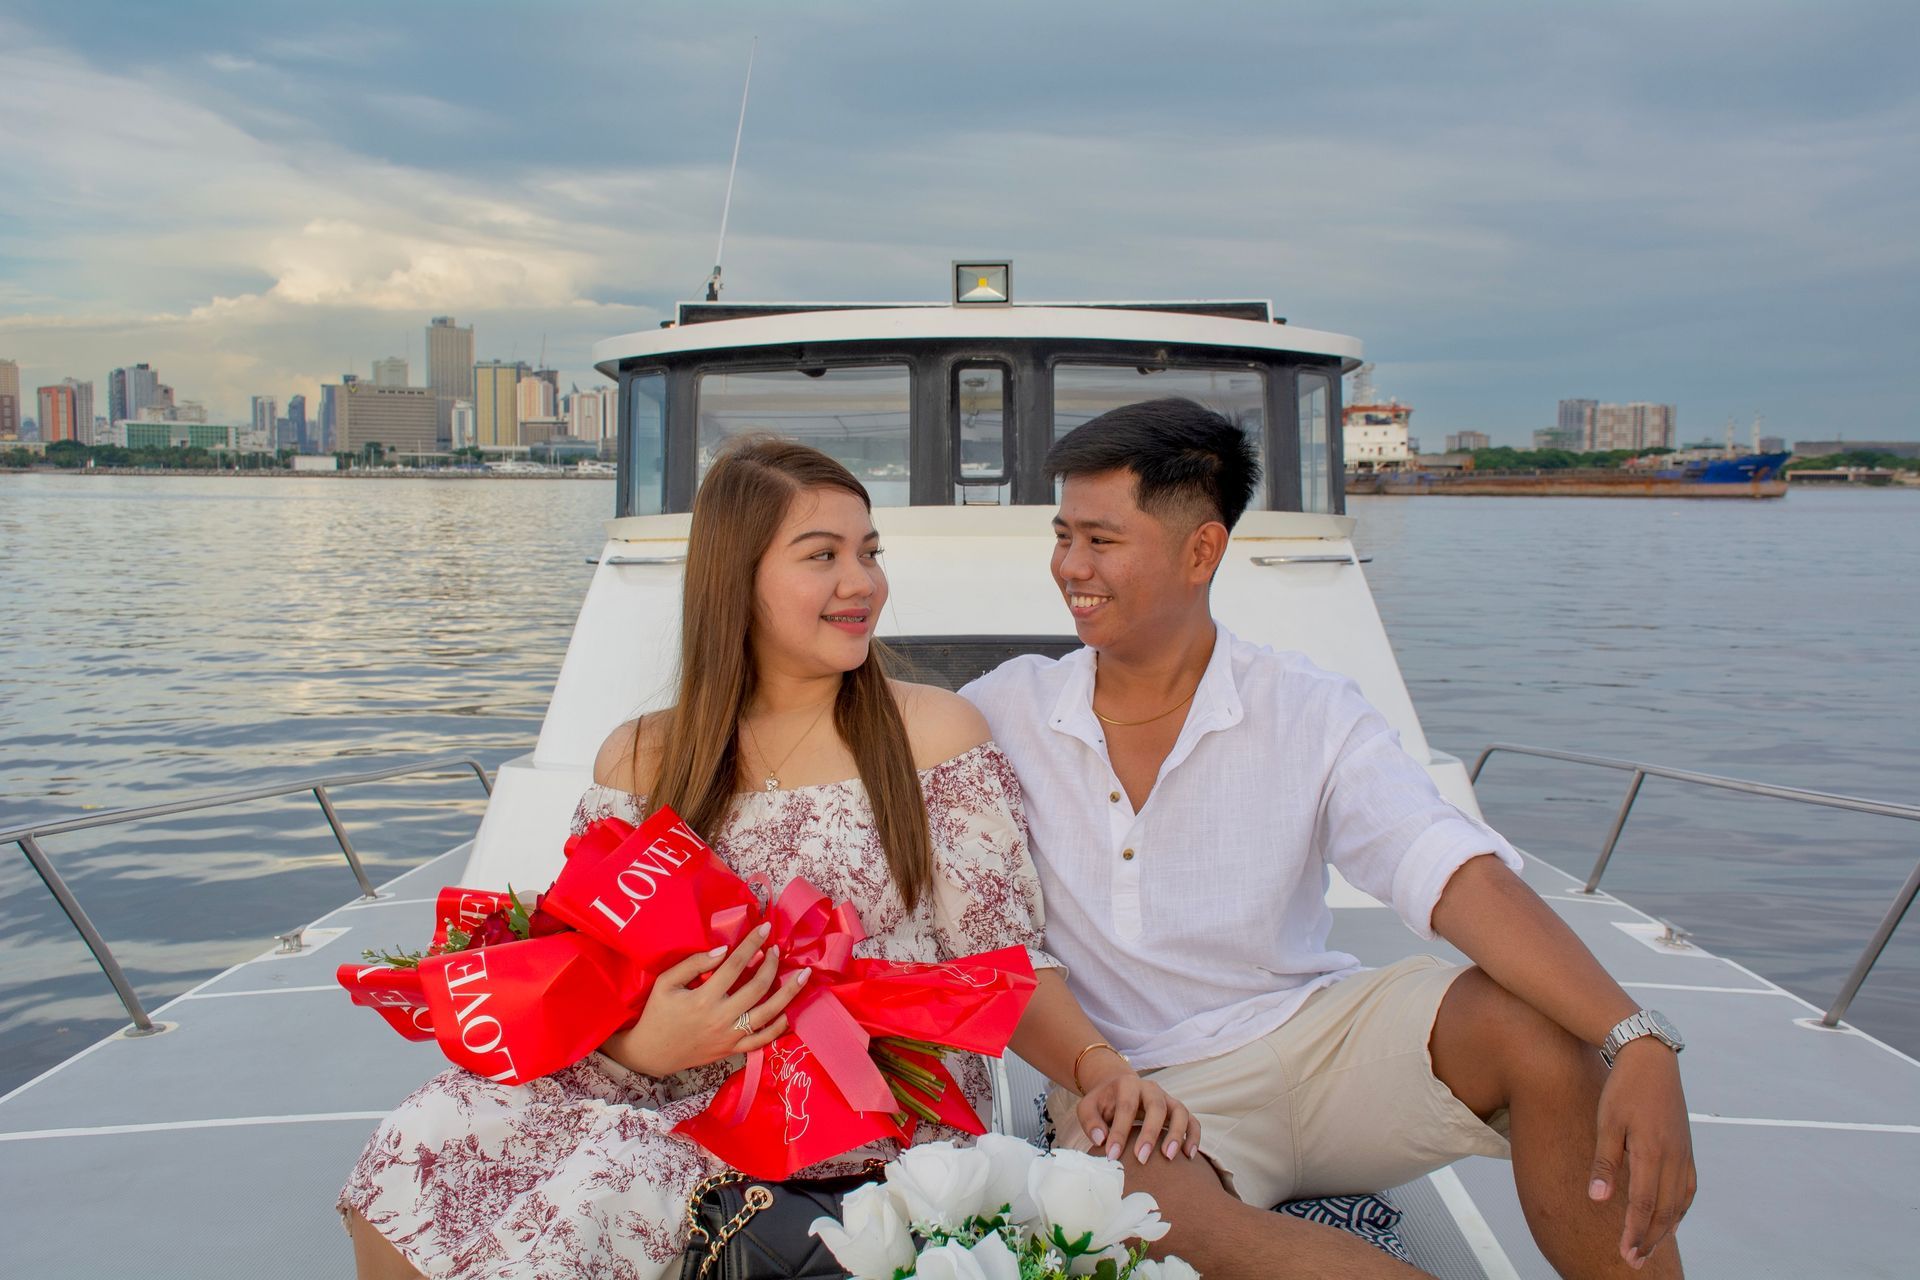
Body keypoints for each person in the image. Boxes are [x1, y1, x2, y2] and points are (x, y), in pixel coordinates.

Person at [340, 437, 1196, 1280]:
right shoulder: (641, 758)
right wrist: (644, 1045)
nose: (861, 582)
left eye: (869, 552)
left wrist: (1100, 1070)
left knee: (608, 1179)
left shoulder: (932, 736)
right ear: (737, 579)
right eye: (822, 555)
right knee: (428, 1128)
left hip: (853, 1110)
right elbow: (594, 968)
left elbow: (1004, 964)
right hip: (667, 1080)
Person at [960, 399, 1697, 1280]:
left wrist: (1636, 1037)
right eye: (1062, 536)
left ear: (1201, 551)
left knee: (1537, 1025)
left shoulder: (1305, 706)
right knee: (1136, 1209)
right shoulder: (1003, 711)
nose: (1069, 566)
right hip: (1136, 1081)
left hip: (1317, 1043)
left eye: (1100, 540)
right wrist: (1098, 1071)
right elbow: (995, 945)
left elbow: (1446, 867)